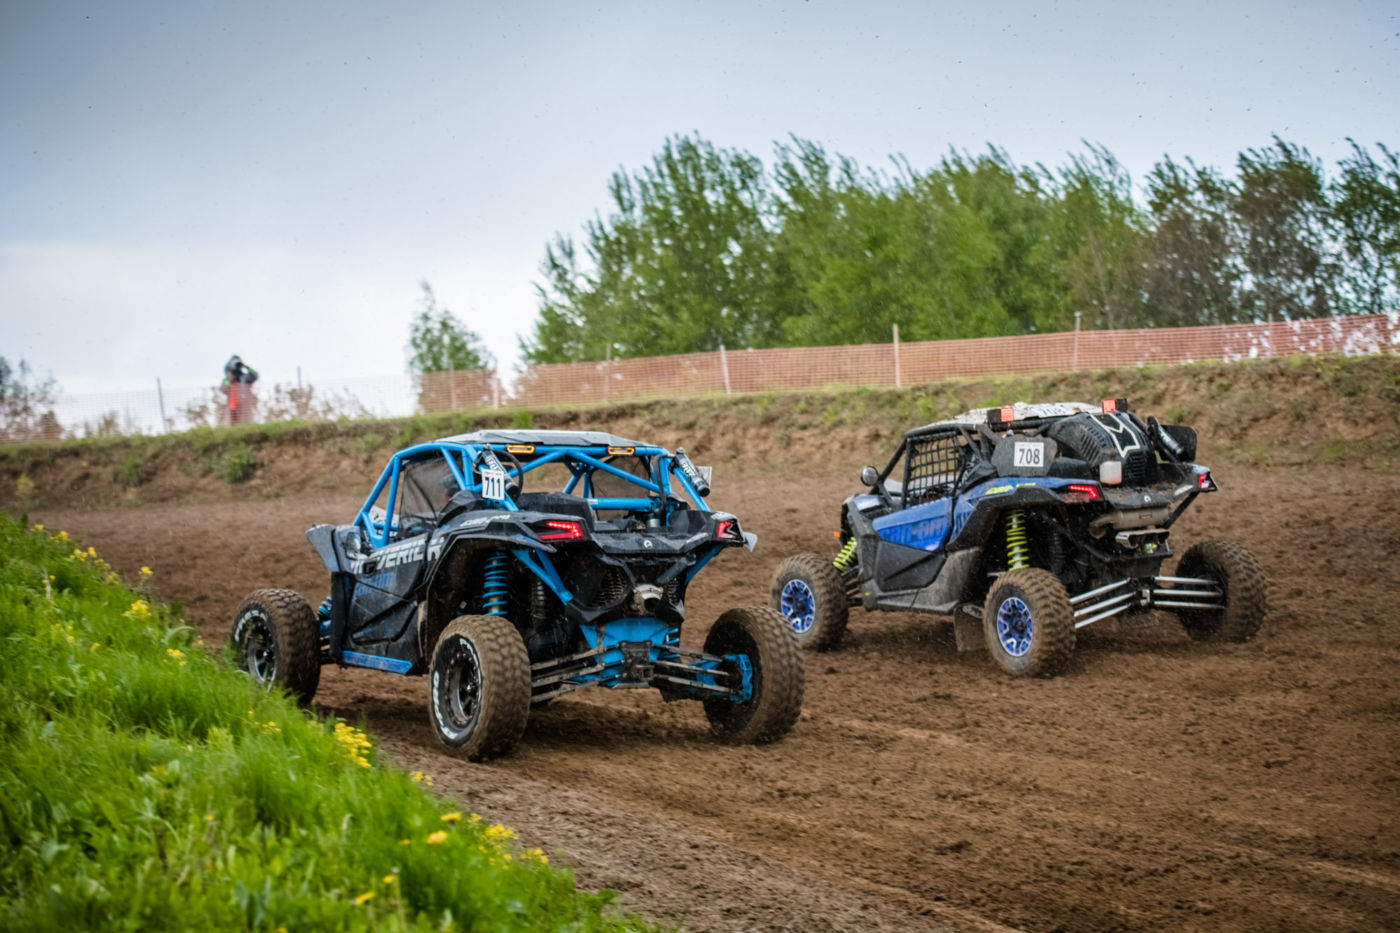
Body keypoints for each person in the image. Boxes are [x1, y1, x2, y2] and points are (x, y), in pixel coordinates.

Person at [220, 355, 259, 425]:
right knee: (232, 424)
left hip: (245, 407)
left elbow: (255, 375)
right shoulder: (228, 379)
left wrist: (246, 366)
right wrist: (229, 377)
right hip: (232, 407)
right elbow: (223, 389)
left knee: (246, 423)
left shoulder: (246, 377)